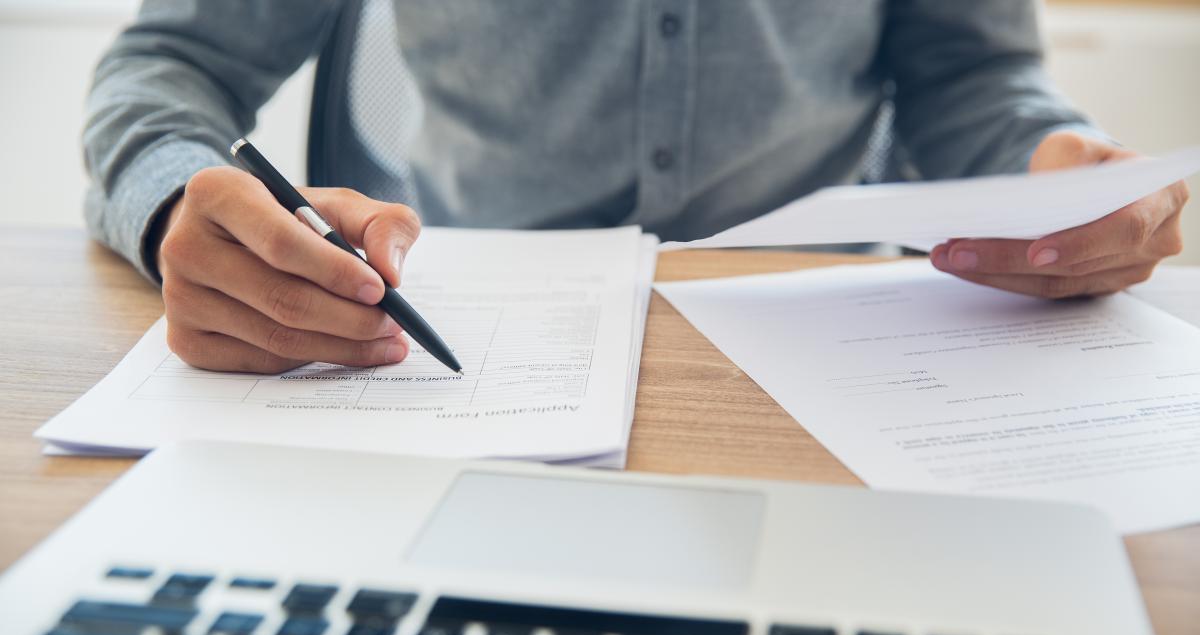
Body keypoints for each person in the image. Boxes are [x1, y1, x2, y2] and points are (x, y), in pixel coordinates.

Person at [83, 1, 1188, 374]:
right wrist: (180, 197)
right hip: (467, 342)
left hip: (839, 344)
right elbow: (169, 64)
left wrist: (1056, 168)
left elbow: (973, 74)